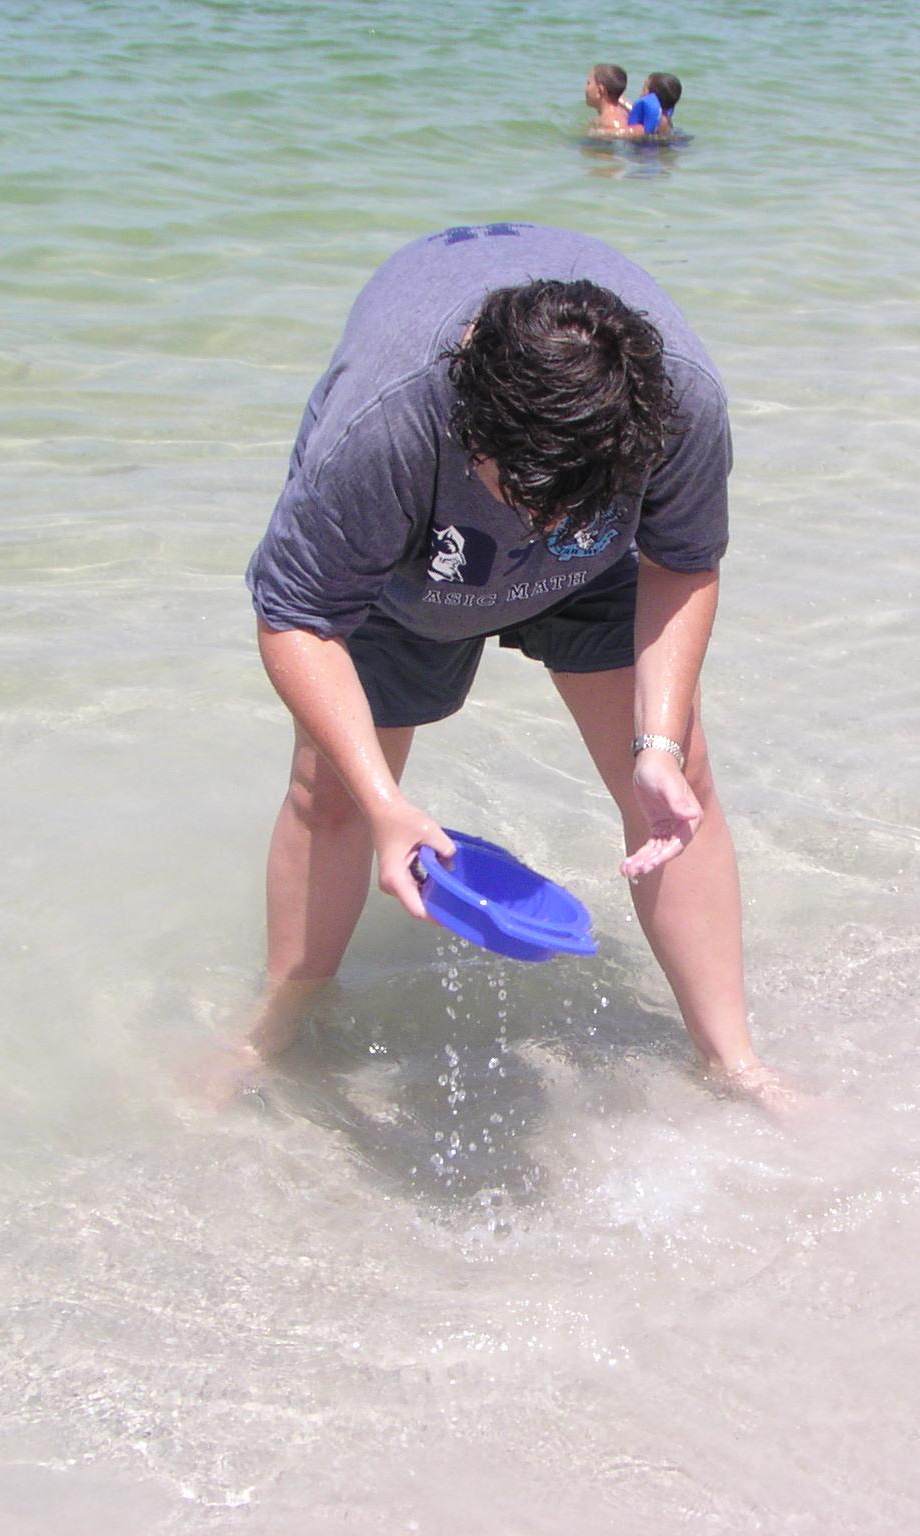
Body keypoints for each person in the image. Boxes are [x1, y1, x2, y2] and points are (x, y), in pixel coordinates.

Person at [218, 223, 791, 1114]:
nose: (543, 528)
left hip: (604, 568)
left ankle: (736, 1065)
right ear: (468, 430)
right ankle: (275, 1028)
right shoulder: (385, 427)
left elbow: (682, 563)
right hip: (413, 566)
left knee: (677, 787)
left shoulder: (678, 404)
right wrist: (385, 804)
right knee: (328, 794)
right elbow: (295, 617)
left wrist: (657, 744)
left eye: (573, 504)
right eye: (525, 498)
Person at [618, 72, 682, 139]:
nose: (640, 93)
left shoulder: (659, 122)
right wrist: (623, 102)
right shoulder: (665, 117)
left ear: (651, 96)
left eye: (644, 88)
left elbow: (619, 134)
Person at [583, 63, 630, 134]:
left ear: (600, 90)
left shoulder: (610, 122)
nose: (585, 89)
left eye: (588, 83)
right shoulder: (621, 113)